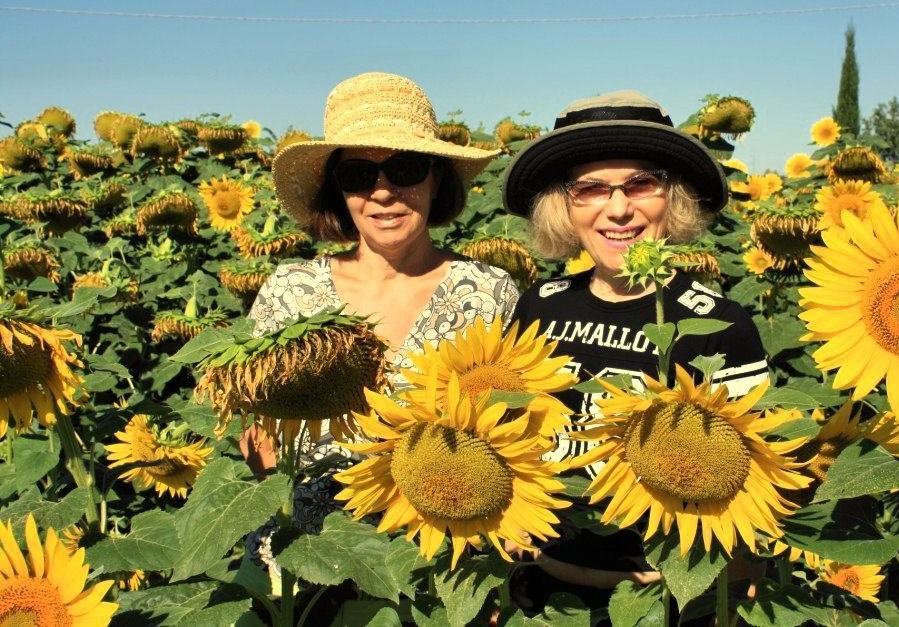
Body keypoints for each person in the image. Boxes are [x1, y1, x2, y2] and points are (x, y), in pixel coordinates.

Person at [242, 71, 520, 576]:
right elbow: (251, 423)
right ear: (339, 192)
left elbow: (517, 429)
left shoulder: (487, 291)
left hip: (443, 557)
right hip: (303, 557)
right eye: (358, 176)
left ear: (436, 179)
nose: (383, 192)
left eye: (405, 169)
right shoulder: (292, 291)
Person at [503, 90, 770, 614]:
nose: (619, 209)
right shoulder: (539, 306)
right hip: (544, 596)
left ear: (673, 199)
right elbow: (509, 435)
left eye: (641, 184)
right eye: (590, 189)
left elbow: (749, 483)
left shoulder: (719, 324)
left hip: (668, 601)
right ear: (565, 206)